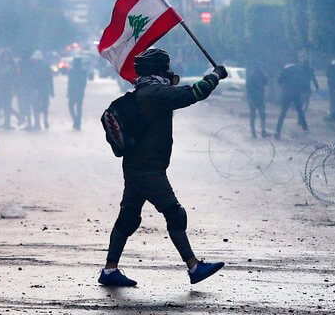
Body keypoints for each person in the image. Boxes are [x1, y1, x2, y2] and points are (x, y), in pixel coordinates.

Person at [99, 48, 228, 287]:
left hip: (136, 167)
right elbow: (194, 93)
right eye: (166, 66)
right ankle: (194, 266)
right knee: (174, 213)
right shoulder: (156, 93)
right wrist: (215, 76)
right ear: (159, 69)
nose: (170, 71)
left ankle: (110, 270)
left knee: (128, 217)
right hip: (149, 170)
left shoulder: (143, 91)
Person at [274, 62, 309, 140]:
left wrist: (283, 86)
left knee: (283, 112)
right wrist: (303, 89)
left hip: (287, 93)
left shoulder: (285, 69)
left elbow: (279, 80)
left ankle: (278, 130)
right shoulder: (298, 69)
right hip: (296, 93)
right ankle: (305, 128)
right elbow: (302, 81)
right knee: (300, 111)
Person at [27, 51, 53, 131]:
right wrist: (52, 90)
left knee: (35, 107)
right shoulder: (46, 66)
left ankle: (37, 123)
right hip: (45, 89)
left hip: (36, 90)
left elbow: (33, 79)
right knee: (45, 107)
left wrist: (33, 89)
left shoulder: (33, 66)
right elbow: (50, 78)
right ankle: (45, 120)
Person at [0, 49, 18, 130]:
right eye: (4, 56)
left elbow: (15, 77)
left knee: (8, 106)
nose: (6, 58)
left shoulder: (13, 65)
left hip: (9, 88)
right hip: (0, 88)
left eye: (7, 56)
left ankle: (7, 123)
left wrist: (15, 88)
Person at [246, 63, 268, 138]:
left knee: (253, 115)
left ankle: (254, 132)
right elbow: (266, 82)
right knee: (262, 115)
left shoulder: (252, 76)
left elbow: (247, 86)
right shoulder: (260, 75)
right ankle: (262, 131)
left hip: (253, 98)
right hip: (258, 98)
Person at [67, 57, 88, 130]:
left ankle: (76, 121)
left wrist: (68, 92)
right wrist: (82, 89)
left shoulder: (71, 71)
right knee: (79, 107)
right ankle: (78, 122)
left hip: (73, 91)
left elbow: (70, 82)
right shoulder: (83, 71)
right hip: (80, 92)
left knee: (70, 106)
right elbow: (84, 83)